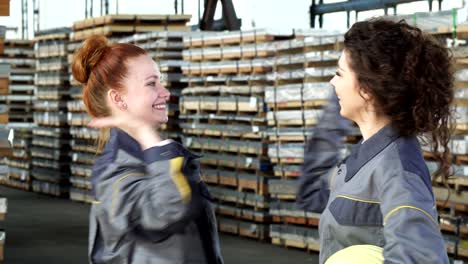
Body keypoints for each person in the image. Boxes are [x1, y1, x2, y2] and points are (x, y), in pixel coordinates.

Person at [297, 18, 453, 264]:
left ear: (367, 89)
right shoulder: (358, 160)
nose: (332, 82)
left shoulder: (398, 172)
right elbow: (309, 195)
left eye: (339, 73)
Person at [72, 35, 224, 264]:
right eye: (152, 83)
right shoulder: (117, 172)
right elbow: (168, 210)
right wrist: (145, 133)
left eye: (160, 81)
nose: (165, 92)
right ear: (119, 99)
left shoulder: (152, 158)